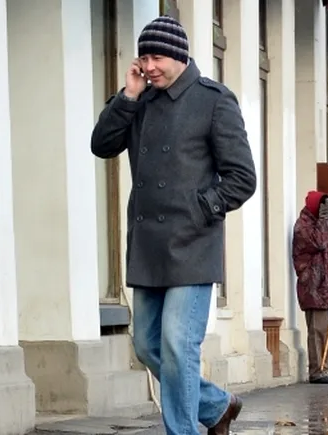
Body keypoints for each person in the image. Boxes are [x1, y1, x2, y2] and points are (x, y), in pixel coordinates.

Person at [90, 16, 257, 434]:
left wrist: (201, 210)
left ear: (180, 57)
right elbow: (101, 144)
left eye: (157, 57)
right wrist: (127, 96)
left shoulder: (215, 100)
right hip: (147, 245)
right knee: (147, 346)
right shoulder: (139, 100)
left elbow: (242, 177)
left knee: (178, 347)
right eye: (143, 57)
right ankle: (217, 406)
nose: (149, 66)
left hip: (192, 245)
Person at [292, 191, 328, 384]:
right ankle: (316, 371)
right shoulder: (303, 226)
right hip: (314, 285)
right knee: (318, 329)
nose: (327, 211)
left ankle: (325, 368)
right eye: (323, 206)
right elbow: (319, 242)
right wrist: (325, 221)